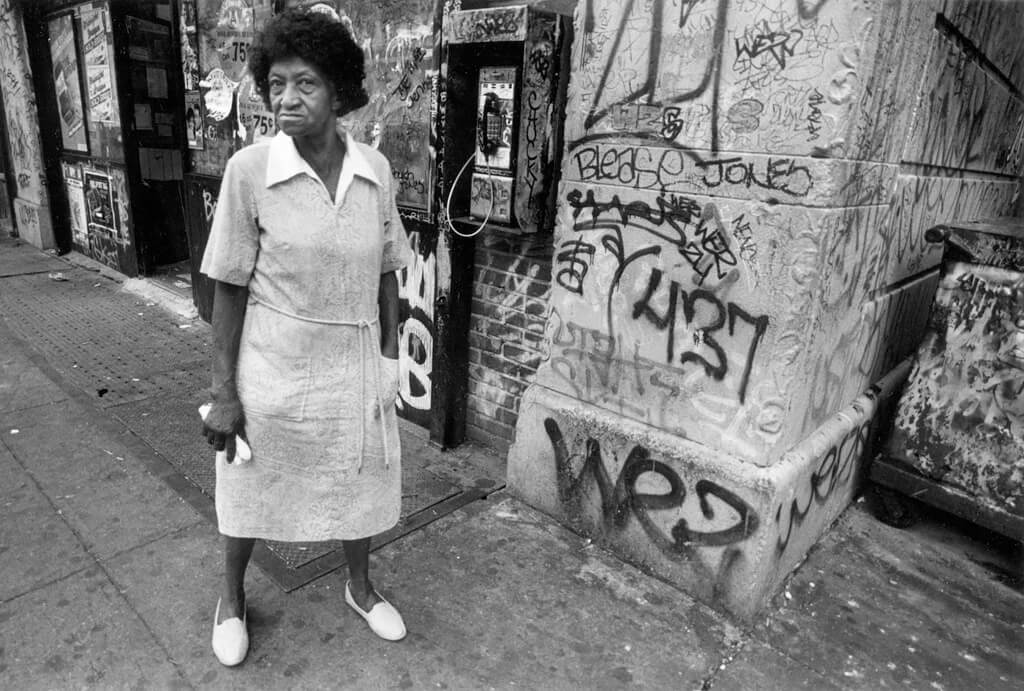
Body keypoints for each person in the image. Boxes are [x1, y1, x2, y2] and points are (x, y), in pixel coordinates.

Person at [199, 8, 412, 667]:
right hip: (275, 365)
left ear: (339, 91)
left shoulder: (374, 170)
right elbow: (227, 285)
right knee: (249, 484)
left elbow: (385, 271)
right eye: (278, 83)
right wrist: (221, 391)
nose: (286, 98)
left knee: (358, 480)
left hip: (352, 362)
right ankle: (231, 599)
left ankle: (360, 586)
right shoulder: (249, 170)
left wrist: (387, 359)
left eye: (306, 84)